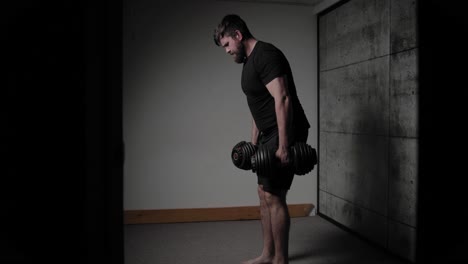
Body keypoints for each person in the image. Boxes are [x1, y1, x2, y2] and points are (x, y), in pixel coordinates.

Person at [214, 14, 310, 264]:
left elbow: (283, 98)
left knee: (274, 195)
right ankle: (268, 254)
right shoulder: (249, 63)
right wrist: (253, 144)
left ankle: (280, 260)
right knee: (262, 192)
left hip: (286, 130)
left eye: (226, 44)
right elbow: (257, 107)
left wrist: (284, 145)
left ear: (238, 35)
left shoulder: (266, 55)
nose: (226, 51)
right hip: (269, 134)